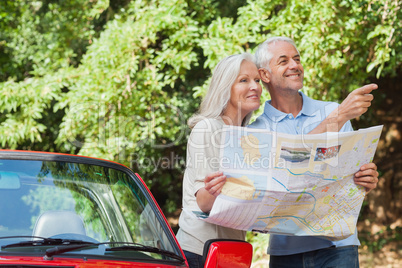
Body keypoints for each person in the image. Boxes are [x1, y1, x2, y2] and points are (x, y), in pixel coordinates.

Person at [250, 36, 379, 267]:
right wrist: (338, 118)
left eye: (297, 59)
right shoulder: (258, 131)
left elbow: (350, 181)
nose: (294, 65)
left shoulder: (331, 110)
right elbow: (284, 173)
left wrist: (365, 180)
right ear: (265, 75)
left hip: (339, 247)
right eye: (283, 61)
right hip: (285, 253)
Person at [176, 52, 263, 268]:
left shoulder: (251, 137)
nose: (255, 86)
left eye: (257, 80)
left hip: (232, 253)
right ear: (225, 87)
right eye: (244, 80)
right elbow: (204, 202)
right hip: (199, 251)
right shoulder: (208, 128)